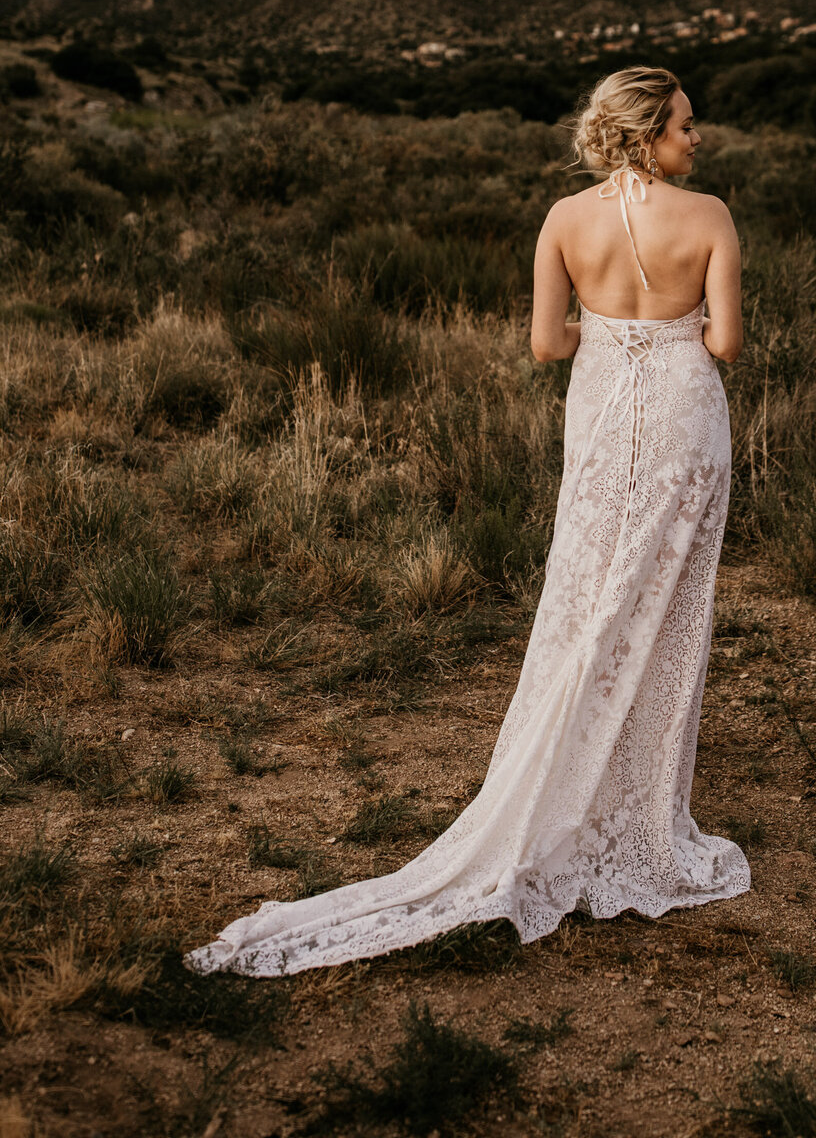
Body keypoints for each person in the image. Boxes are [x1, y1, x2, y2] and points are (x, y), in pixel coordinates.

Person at [185, 66, 749, 977]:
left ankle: (564, 774)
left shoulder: (565, 219)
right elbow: (722, 344)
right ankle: (637, 809)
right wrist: (667, 331)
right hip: (686, 421)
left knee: (590, 593)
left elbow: (544, 344)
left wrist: (606, 332)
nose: (700, 135)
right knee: (666, 609)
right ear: (648, 136)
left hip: (603, 416)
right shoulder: (711, 216)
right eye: (687, 123)